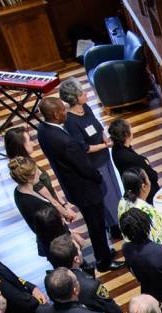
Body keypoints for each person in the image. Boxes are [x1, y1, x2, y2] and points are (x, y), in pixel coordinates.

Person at [38, 93, 116, 269]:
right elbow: (84, 167)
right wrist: (99, 176)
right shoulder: (65, 141)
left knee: (94, 222)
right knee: (96, 225)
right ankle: (104, 261)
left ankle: (103, 252)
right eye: (63, 110)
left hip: (71, 186)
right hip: (85, 189)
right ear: (57, 115)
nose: (66, 112)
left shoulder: (43, 130)